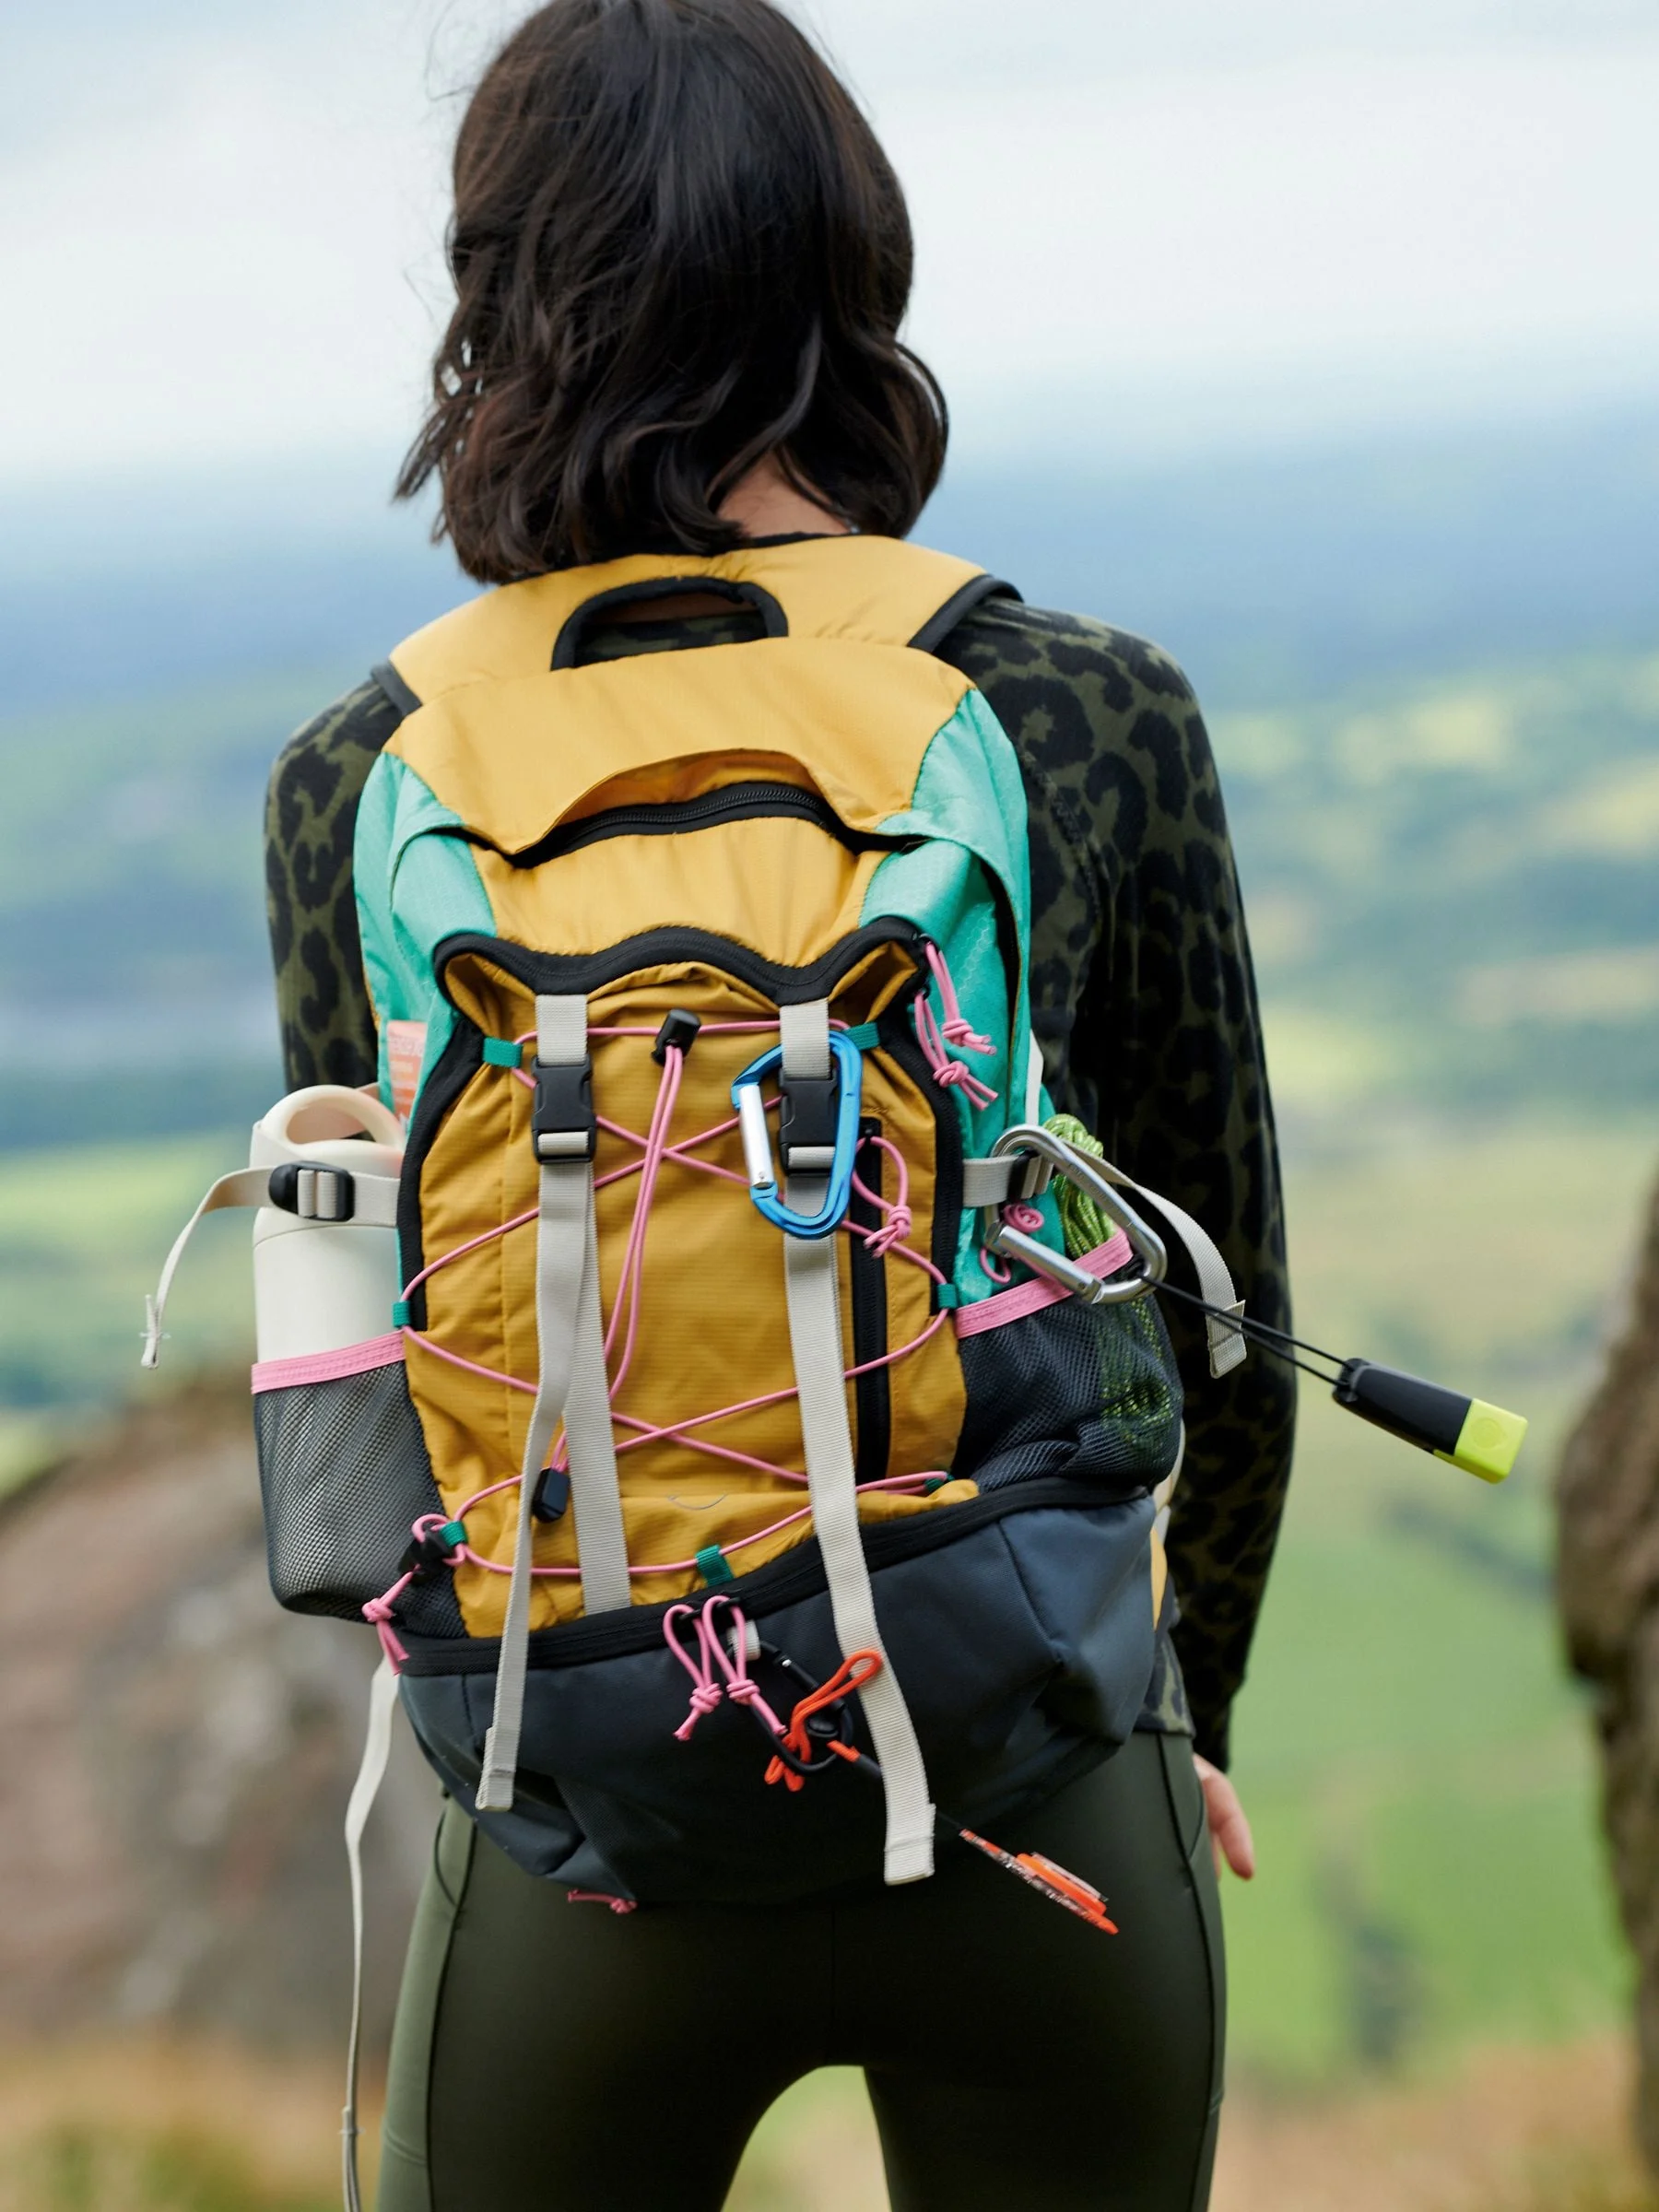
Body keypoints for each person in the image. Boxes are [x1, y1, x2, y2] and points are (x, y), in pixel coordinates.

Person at [264, 3, 1293, 2205]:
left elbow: (371, 1396)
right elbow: (1229, 1312)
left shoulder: (366, 773)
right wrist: (1177, 1707)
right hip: (1033, 1793)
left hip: (578, 1822)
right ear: (852, 269)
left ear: (501, 307)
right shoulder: (1079, 704)